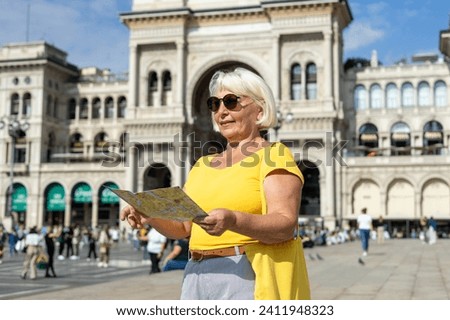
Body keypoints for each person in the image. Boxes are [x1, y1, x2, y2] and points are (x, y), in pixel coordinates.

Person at [120, 67, 310, 300]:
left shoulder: (274, 155)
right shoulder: (203, 165)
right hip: (195, 272)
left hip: (244, 272)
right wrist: (150, 214)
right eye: (215, 104)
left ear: (259, 112)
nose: (221, 111)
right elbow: (183, 228)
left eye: (231, 102)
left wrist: (233, 220)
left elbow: (284, 225)